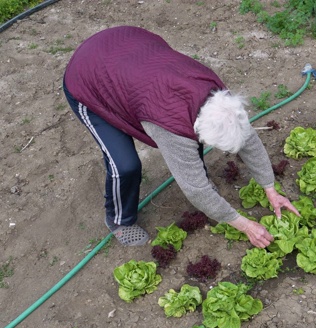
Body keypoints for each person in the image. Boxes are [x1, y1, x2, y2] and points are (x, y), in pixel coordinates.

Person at [63, 26, 299, 247]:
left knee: (188, 151)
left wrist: (270, 189)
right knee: (125, 165)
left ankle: (209, 195)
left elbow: (247, 139)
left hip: (130, 50)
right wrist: (245, 225)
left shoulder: (223, 102)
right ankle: (119, 220)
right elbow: (195, 189)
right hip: (88, 78)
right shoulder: (170, 126)